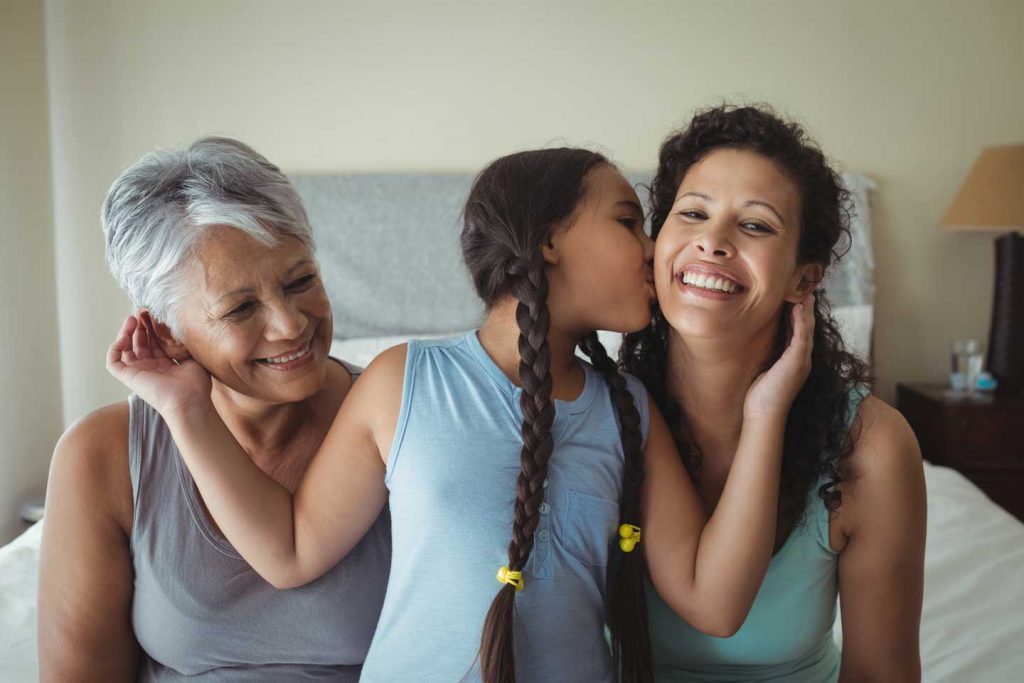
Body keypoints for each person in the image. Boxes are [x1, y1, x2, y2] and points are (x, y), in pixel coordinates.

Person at [108, 147, 814, 682]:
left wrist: (767, 411)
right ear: (546, 239)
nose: (654, 247)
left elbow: (716, 603)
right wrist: (182, 406)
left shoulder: (627, 411)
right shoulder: (401, 382)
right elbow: (289, 551)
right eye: (629, 221)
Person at [37, 137, 391, 682]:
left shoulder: (401, 422)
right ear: (166, 332)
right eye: (240, 308)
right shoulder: (101, 456)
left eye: (301, 281)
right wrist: (185, 409)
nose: (290, 325)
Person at [622, 105, 927, 681]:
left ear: (803, 279)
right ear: (656, 244)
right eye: (691, 213)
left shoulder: (871, 446)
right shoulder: (592, 414)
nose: (712, 242)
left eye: (756, 224)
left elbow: (881, 673)